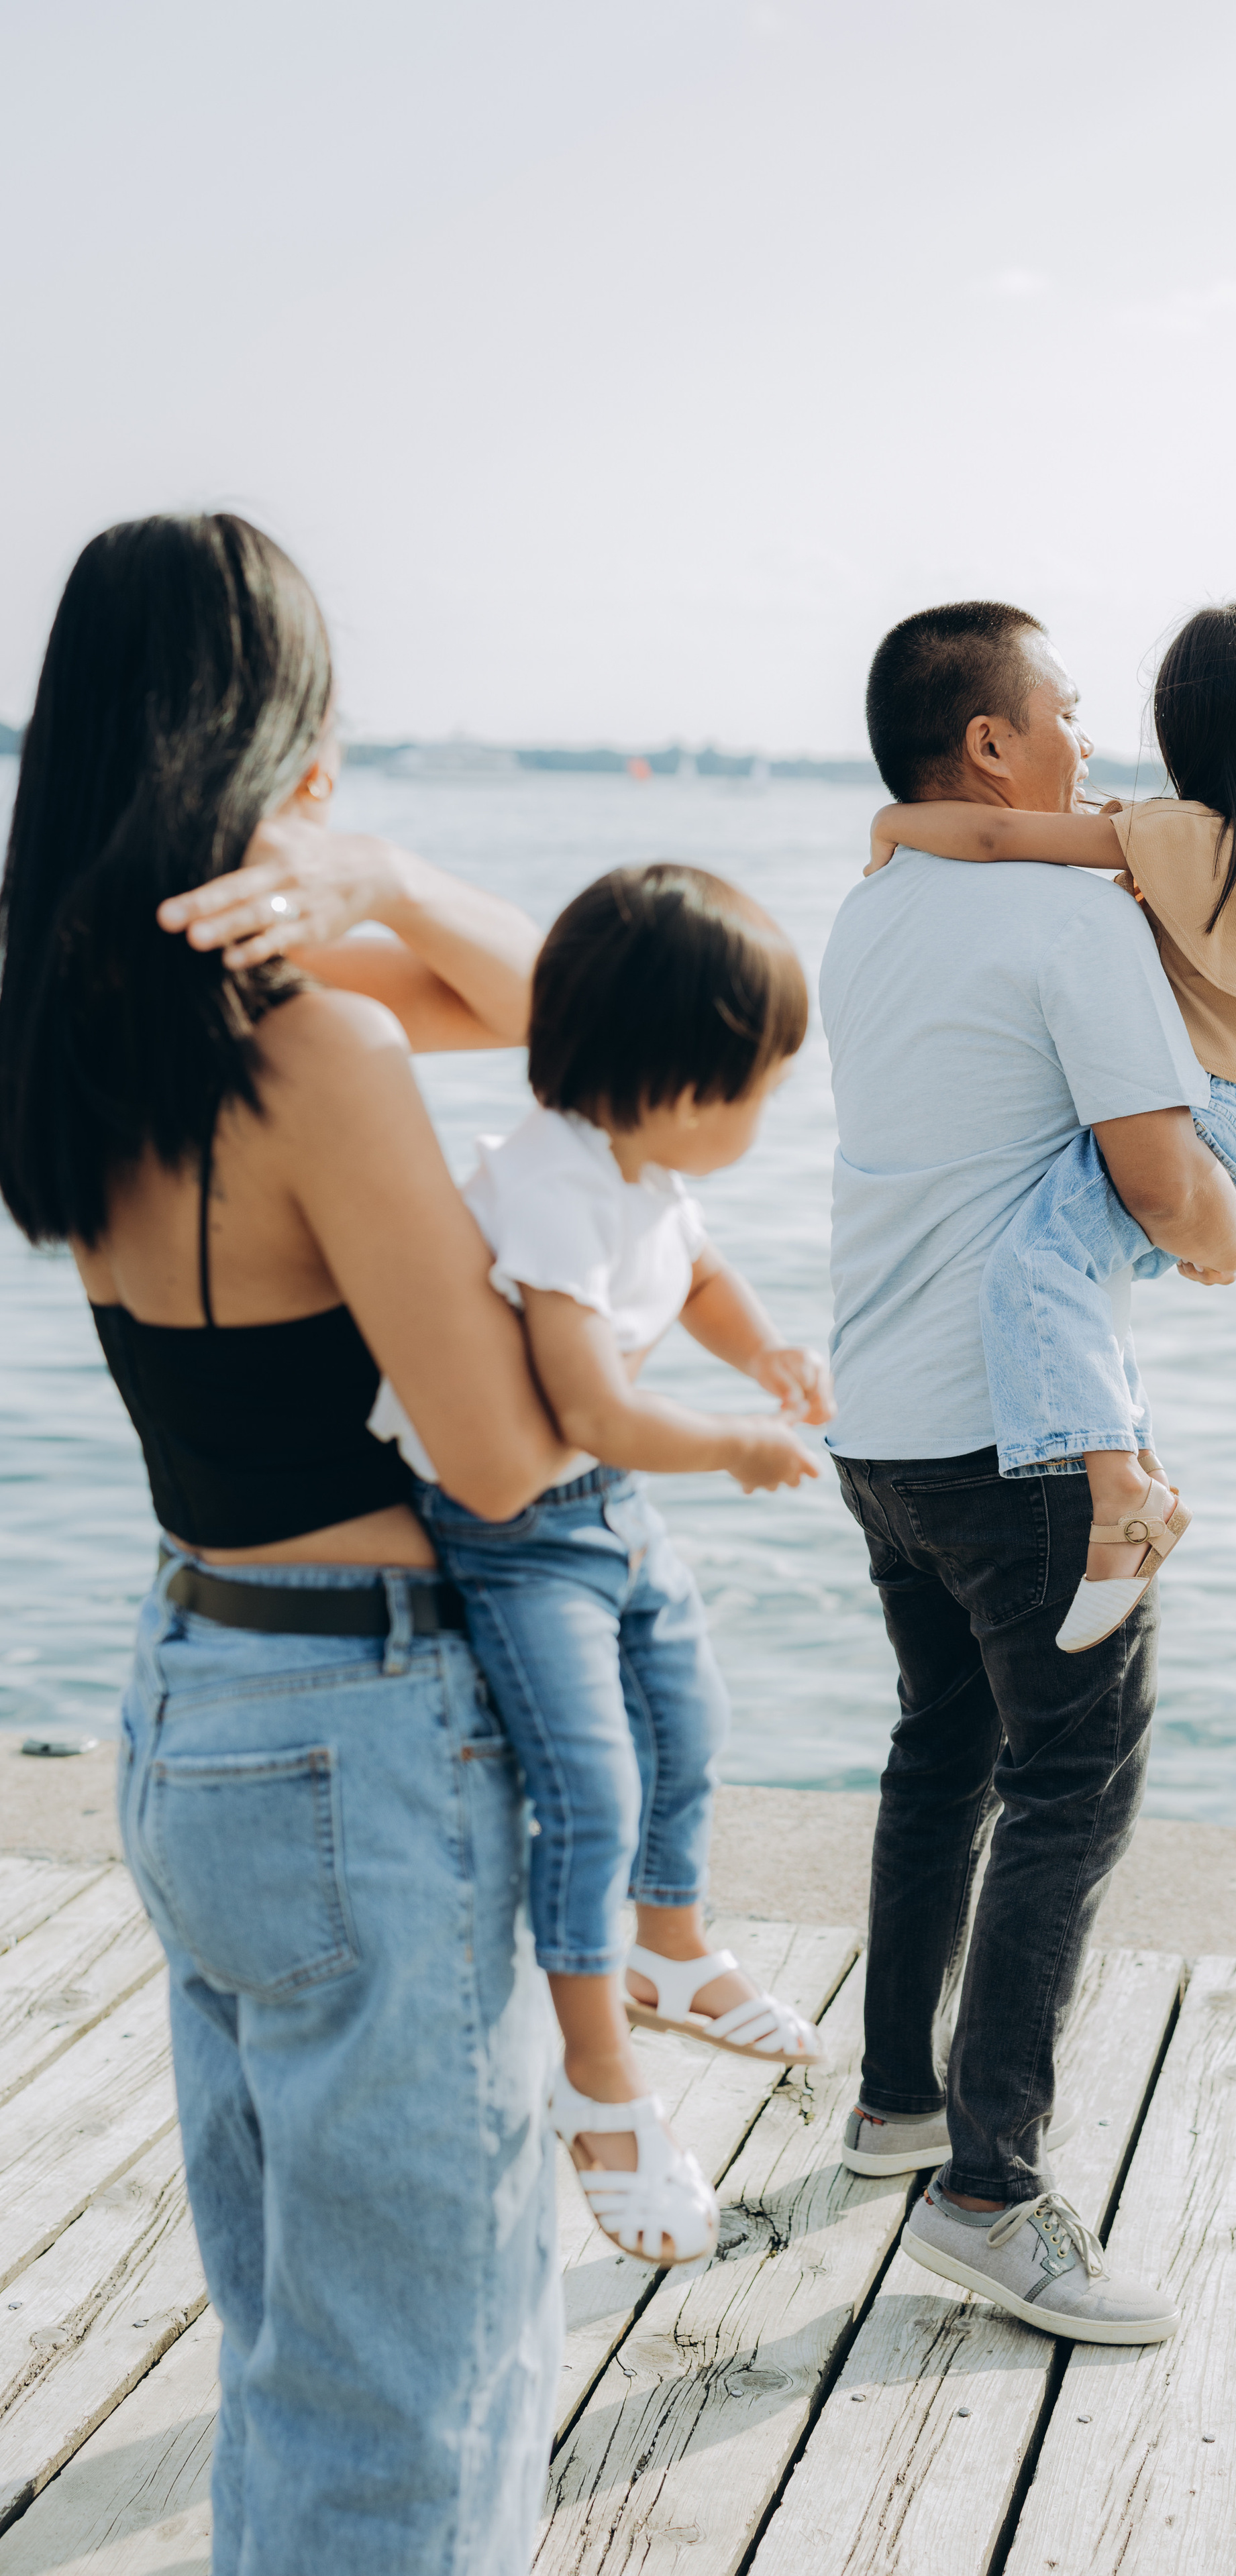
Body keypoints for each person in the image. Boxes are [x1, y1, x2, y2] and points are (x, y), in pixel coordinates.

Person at [0, 513, 576, 2575]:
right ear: (274, 733)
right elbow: (502, 1458)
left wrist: (371, 893)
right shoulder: (308, 1047)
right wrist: (394, 871)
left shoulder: (80, 1005)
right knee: (419, 2379)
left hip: (195, 1697)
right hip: (362, 1728)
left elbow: (587, 1015)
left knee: (301, 2354)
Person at [822, 600, 1236, 2345]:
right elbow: (1161, 1182)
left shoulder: (875, 912)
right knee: (1074, 1787)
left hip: (880, 1418)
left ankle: (895, 2107)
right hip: (1014, 1443)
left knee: (945, 1751)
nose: (1091, 739)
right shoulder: (1073, 922)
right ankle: (993, 2195)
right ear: (992, 745)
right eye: (1065, 712)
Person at [370, 862, 835, 2269]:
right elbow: (587, 1408)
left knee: (687, 1713)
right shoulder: (550, 1187)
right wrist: (735, 1444)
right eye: (750, 1087)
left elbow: (693, 1278)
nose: (761, 1115)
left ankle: (668, 1946)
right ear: (667, 1083)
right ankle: (594, 2072)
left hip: (602, 1507)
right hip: (519, 1532)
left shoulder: (640, 1166)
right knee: (590, 1789)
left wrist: (761, 1349)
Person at [865, 600, 1236, 1652]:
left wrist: (892, 826)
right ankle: (1126, 1469)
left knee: (1034, 1270)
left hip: (1205, 1126)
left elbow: (1001, 833)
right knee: (1073, 1288)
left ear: (1188, 722)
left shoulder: (1186, 838)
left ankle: (1124, 1491)